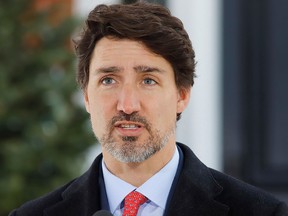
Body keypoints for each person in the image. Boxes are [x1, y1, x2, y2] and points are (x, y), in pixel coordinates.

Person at [9, 1, 288, 216]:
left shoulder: (261, 212)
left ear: (181, 95)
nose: (127, 105)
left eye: (148, 80)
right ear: (87, 97)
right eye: (108, 80)